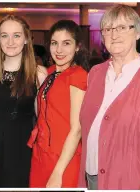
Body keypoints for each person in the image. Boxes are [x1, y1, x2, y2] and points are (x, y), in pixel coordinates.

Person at [78, 5, 140, 190]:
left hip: (136, 180)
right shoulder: (95, 73)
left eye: (123, 27)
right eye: (108, 29)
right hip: (92, 178)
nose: (114, 35)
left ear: (138, 33)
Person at [0, 15, 47, 187]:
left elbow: (42, 119)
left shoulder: (38, 74)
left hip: (22, 151)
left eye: (16, 35)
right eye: (4, 35)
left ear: (26, 39)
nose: (10, 41)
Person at [27, 20, 90, 188]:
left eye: (66, 43)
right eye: (54, 43)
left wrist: (58, 172)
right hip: (40, 155)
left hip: (64, 159)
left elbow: (76, 130)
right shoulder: (49, 72)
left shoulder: (78, 75)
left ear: (77, 47)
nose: (59, 50)